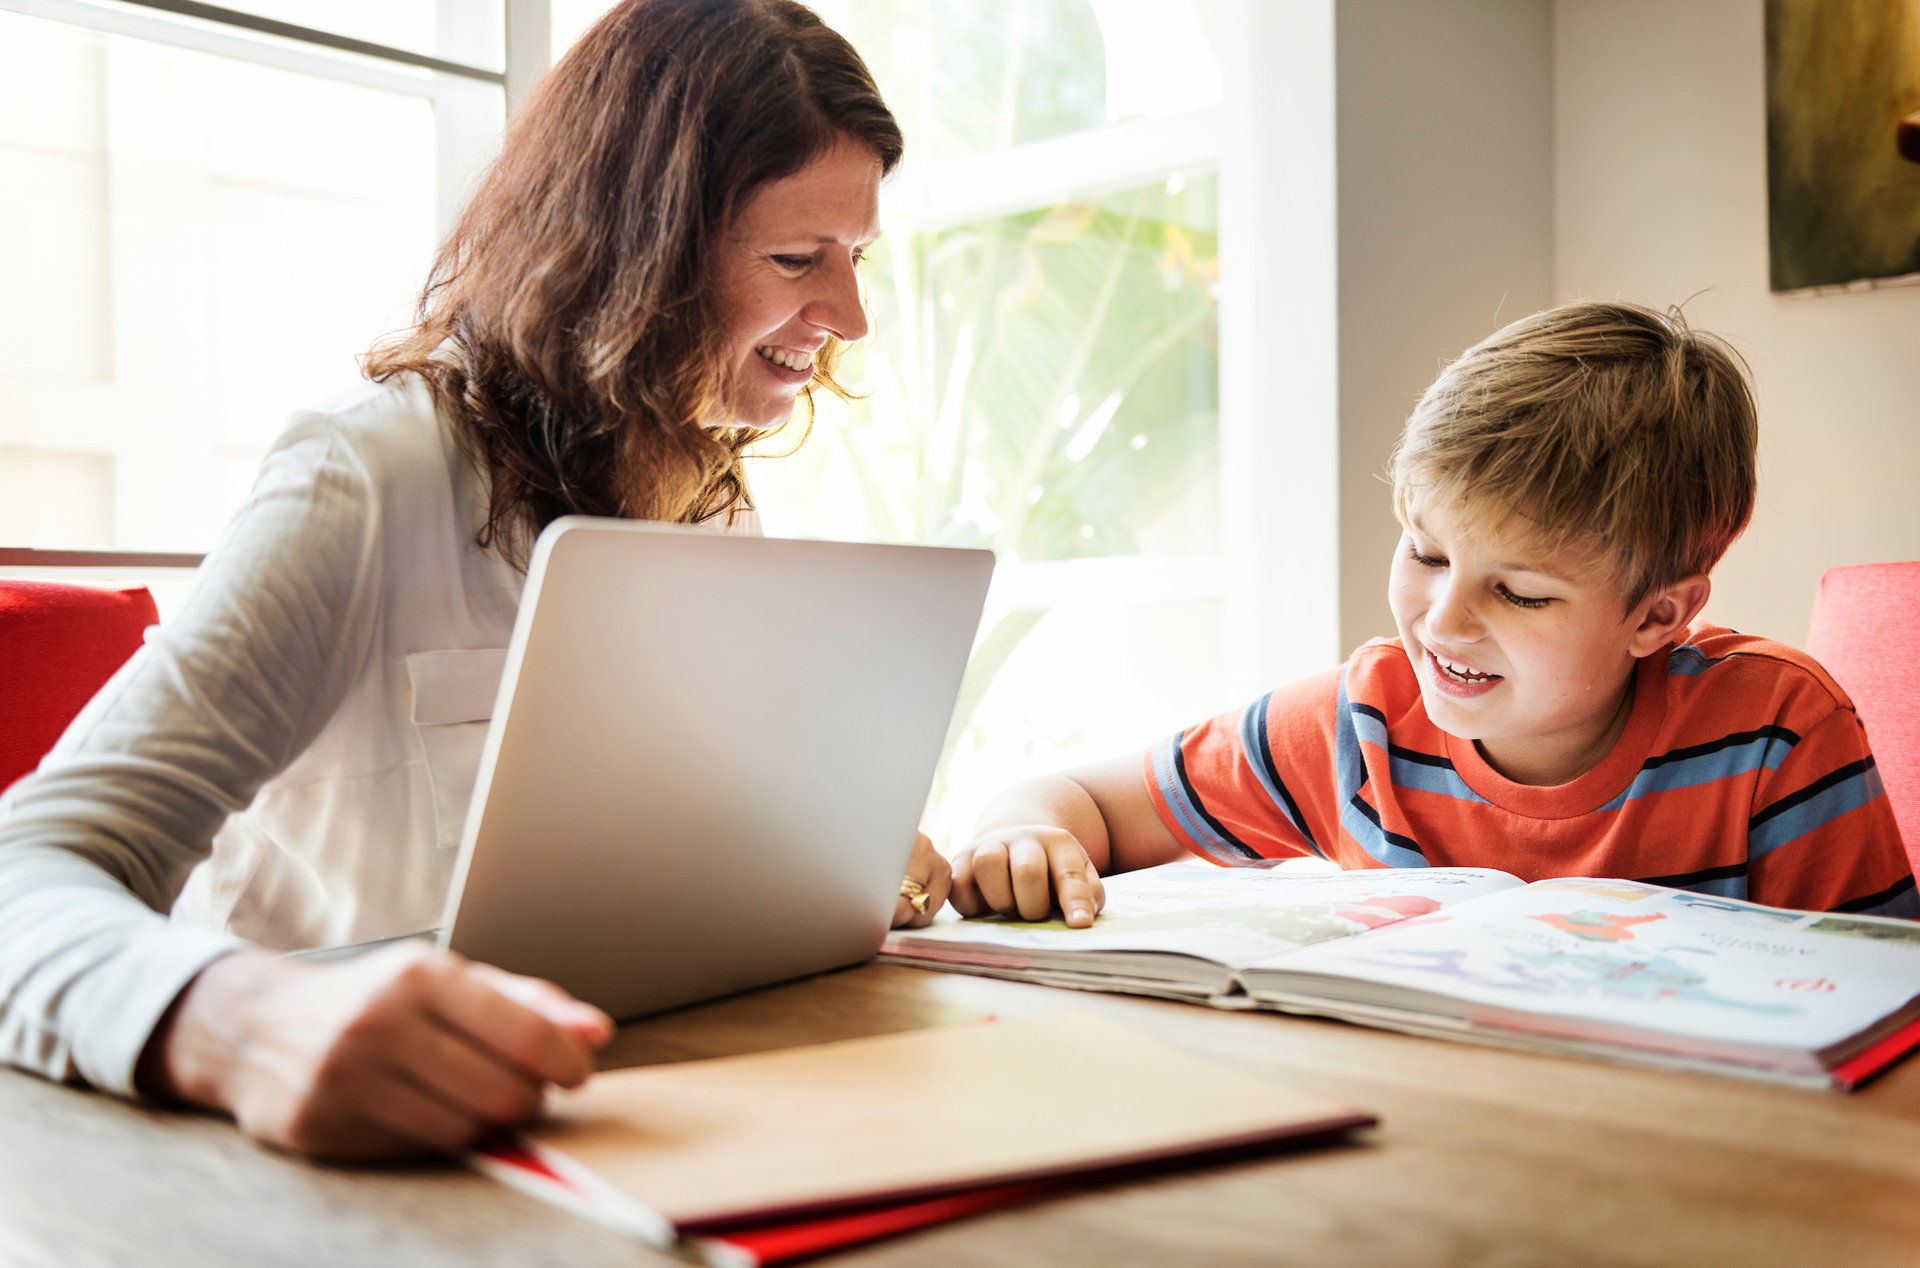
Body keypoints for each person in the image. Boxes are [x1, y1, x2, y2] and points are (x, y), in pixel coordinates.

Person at [0, 0, 949, 1160]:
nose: (848, 315)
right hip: (317, 1169)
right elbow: (27, 873)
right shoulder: (366, 471)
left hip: (614, 1121)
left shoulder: (706, 494)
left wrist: (827, 854)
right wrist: (236, 1020)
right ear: (635, 253)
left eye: (855, 257)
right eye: (798, 259)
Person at [949, 300, 1918, 929]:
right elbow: (1075, 802)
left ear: (1658, 616)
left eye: (1521, 591)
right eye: (1427, 552)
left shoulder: (1777, 736)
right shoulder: (1361, 722)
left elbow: (1886, 1007)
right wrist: (1020, 833)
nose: (1442, 619)